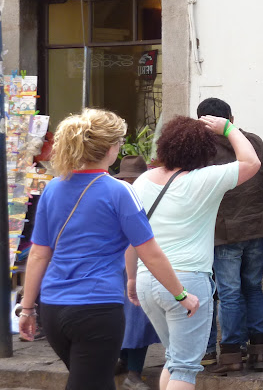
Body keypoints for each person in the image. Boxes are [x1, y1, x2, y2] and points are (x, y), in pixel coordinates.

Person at [19, 109, 199, 390]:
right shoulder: (120, 192)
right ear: (110, 149)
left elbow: (39, 254)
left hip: (53, 308)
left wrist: (28, 308)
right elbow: (150, 253)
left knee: (95, 380)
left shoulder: (53, 189)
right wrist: (181, 294)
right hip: (97, 307)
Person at [128, 115, 260, 390]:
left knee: (174, 359)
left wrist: (131, 278)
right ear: (204, 151)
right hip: (188, 281)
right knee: (185, 368)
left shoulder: (142, 182)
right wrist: (229, 129)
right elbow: (251, 162)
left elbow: (133, 239)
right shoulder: (205, 179)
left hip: (147, 279)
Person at [196, 97, 263, 375]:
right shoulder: (253, 141)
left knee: (229, 292)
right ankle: (259, 350)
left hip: (224, 232)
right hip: (256, 227)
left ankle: (231, 352)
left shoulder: (202, 150)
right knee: (253, 288)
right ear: (231, 118)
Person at [115, 155, 162, 390]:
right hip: (126, 263)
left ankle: (130, 366)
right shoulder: (122, 196)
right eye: (128, 179)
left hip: (134, 262)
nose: (131, 183)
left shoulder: (126, 195)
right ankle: (129, 368)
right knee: (130, 317)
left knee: (134, 317)